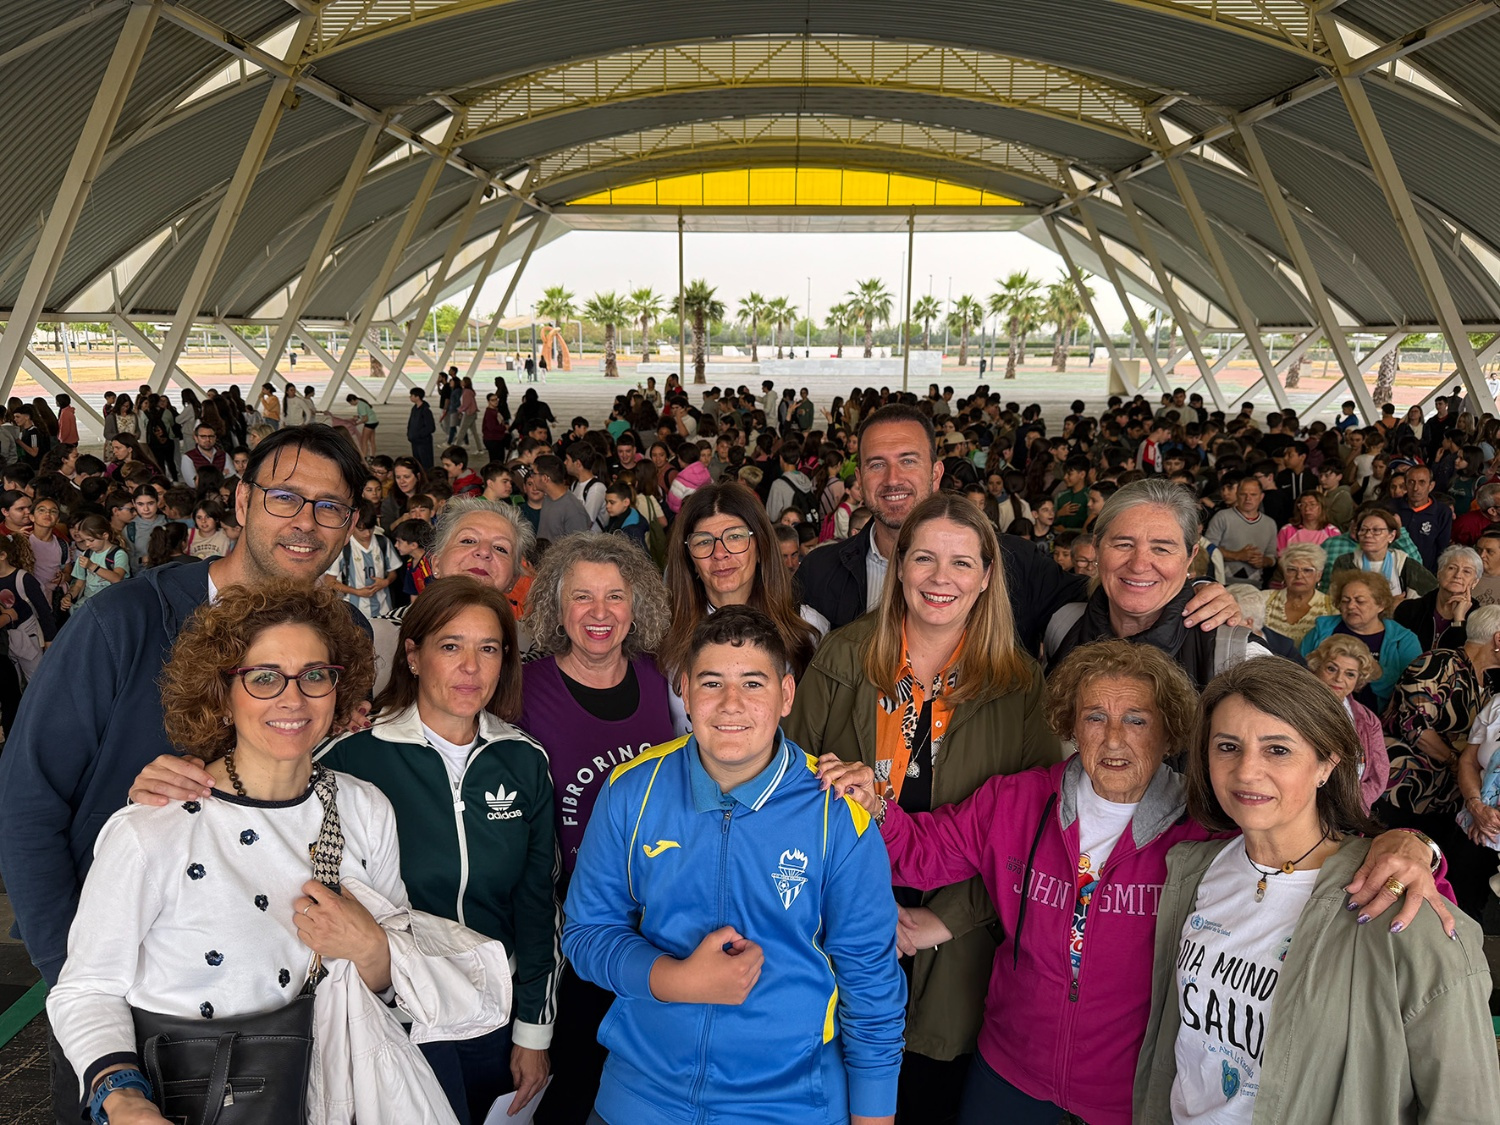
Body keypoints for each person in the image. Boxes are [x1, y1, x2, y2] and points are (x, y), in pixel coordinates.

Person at [0, 425, 367, 1123]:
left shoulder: (336, 641)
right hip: (123, 1015)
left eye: (330, 507)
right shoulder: (127, 622)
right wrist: (82, 984)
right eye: (285, 496)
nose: (305, 522)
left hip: (276, 1020)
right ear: (241, 499)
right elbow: (26, 802)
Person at [562, 606, 906, 1125]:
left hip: (791, 1105)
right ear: (683, 689)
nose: (731, 704)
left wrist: (875, 1117)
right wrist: (675, 980)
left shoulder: (838, 814)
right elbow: (587, 932)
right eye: (711, 682)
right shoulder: (632, 790)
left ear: (786, 695)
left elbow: (871, 981)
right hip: (641, 1097)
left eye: (753, 683)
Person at [785, 493, 1058, 1122]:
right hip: (839, 927)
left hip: (956, 945)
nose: (941, 578)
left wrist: (947, 919)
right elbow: (790, 791)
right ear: (899, 566)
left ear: (987, 576)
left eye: (962, 563)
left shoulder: (1019, 686)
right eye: (925, 559)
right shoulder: (846, 658)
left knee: (929, 1099)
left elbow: (1039, 837)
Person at [1134, 659, 1499, 1124]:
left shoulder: (1401, 910)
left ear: (1327, 763)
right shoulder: (1191, 872)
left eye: (1278, 750)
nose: (1246, 772)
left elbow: (1464, 1107)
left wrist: (1420, 845)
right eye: (1227, 746)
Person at [799, 407, 1235, 648]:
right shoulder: (820, 573)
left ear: (936, 473)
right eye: (877, 465)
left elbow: (1110, 602)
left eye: (908, 461)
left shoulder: (1019, 563)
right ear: (861, 478)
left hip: (986, 790)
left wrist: (1189, 594)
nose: (893, 479)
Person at [515, 533, 674, 1124]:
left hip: (657, 919)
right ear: (558, 608)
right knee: (573, 1076)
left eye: (615, 597)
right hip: (567, 925)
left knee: (640, 1076)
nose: (600, 613)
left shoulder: (664, 682)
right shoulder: (524, 690)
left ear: (637, 608)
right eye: (582, 597)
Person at [1046, 479, 1267, 685]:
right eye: (1124, 544)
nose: (1139, 565)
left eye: (1161, 549)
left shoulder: (1239, 656)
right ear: (1096, 547)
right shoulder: (1063, 626)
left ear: (1190, 557)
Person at [659, 482, 820, 735]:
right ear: (689, 558)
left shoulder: (808, 628)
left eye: (735, 537)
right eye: (703, 542)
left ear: (760, 548)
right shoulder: (662, 636)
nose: (720, 554)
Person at [1298, 570, 1421, 712]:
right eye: (1345, 601)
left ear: (1380, 605)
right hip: (1319, 711)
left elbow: (1412, 692)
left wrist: (1378, 673)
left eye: (1360, 601)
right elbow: (1298, 671)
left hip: (1380, 719)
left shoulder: (1404, 640)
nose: (1350, 606)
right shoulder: (1322, 630)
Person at [1305, 634, 1389, 813]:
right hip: (1301, 808)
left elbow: (1378, 775)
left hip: (1351, 811)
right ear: (1317, 667)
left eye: (1350, 674)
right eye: (1331, 669)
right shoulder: (1295, 707)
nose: (1339, 678)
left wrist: (1351, 806)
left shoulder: (1368, 719)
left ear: (1359, 680)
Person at [1392, 543, 1480, 650]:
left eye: (1466, 571)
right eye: (1451, 568)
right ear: (1439, 573)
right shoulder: (1410, 609)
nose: (1458, 575)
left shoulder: (1480, 619)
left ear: (1475, 582)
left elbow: (1466, 660)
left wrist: (1459, 620)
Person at [1205, 476, 1277, 586]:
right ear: (1237, 495)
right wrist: (1237, 555)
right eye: (1243, 494)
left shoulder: (1270, 524)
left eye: (1253, 495)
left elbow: (1272, 557)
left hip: (1255, 585)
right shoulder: (1222, 517)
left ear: (1261, 497)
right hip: (1222, 583)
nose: (1248, 498)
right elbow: (1207, 549)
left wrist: (1263, 561)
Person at [1262, 543, 1333, 645]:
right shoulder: (1264, 599)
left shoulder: (1331, 607)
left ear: (1319, 575)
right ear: (1284, 573)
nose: (1299, 576)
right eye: (1292, 569)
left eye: (1307, 570)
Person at [1390, 463, 1451, 570]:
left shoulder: (1442, 512)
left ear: (1431, 486)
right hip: (1392, 570)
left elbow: (1442, 549)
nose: (1415, 488)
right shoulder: (1391, 507)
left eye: (1422, 482)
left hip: (1424, 575)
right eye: (1411, 482)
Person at [533, 454, 592, 540]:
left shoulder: (574, 510)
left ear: (545, 478)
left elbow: (579, 549)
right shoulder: (547, 498)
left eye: (534, 473)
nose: (532, 478)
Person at [1275, 492, 1339, 552]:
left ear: (1322, 507)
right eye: (1303, 505)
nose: (1307, 508)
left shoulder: (1332, 532)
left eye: (1312, 504)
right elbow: (1280, 556)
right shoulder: (1287, 530)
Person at [407, 388, 436, 469]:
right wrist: (410, 434)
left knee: (426, 462)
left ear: (417, 397)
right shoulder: (414, 409)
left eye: (412, 395)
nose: (410, 397)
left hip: (423, 441)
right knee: (417, 462)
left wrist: (419, 434)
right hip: (415, 440)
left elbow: (431, 427)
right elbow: (411, 423)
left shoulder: (425, 411)